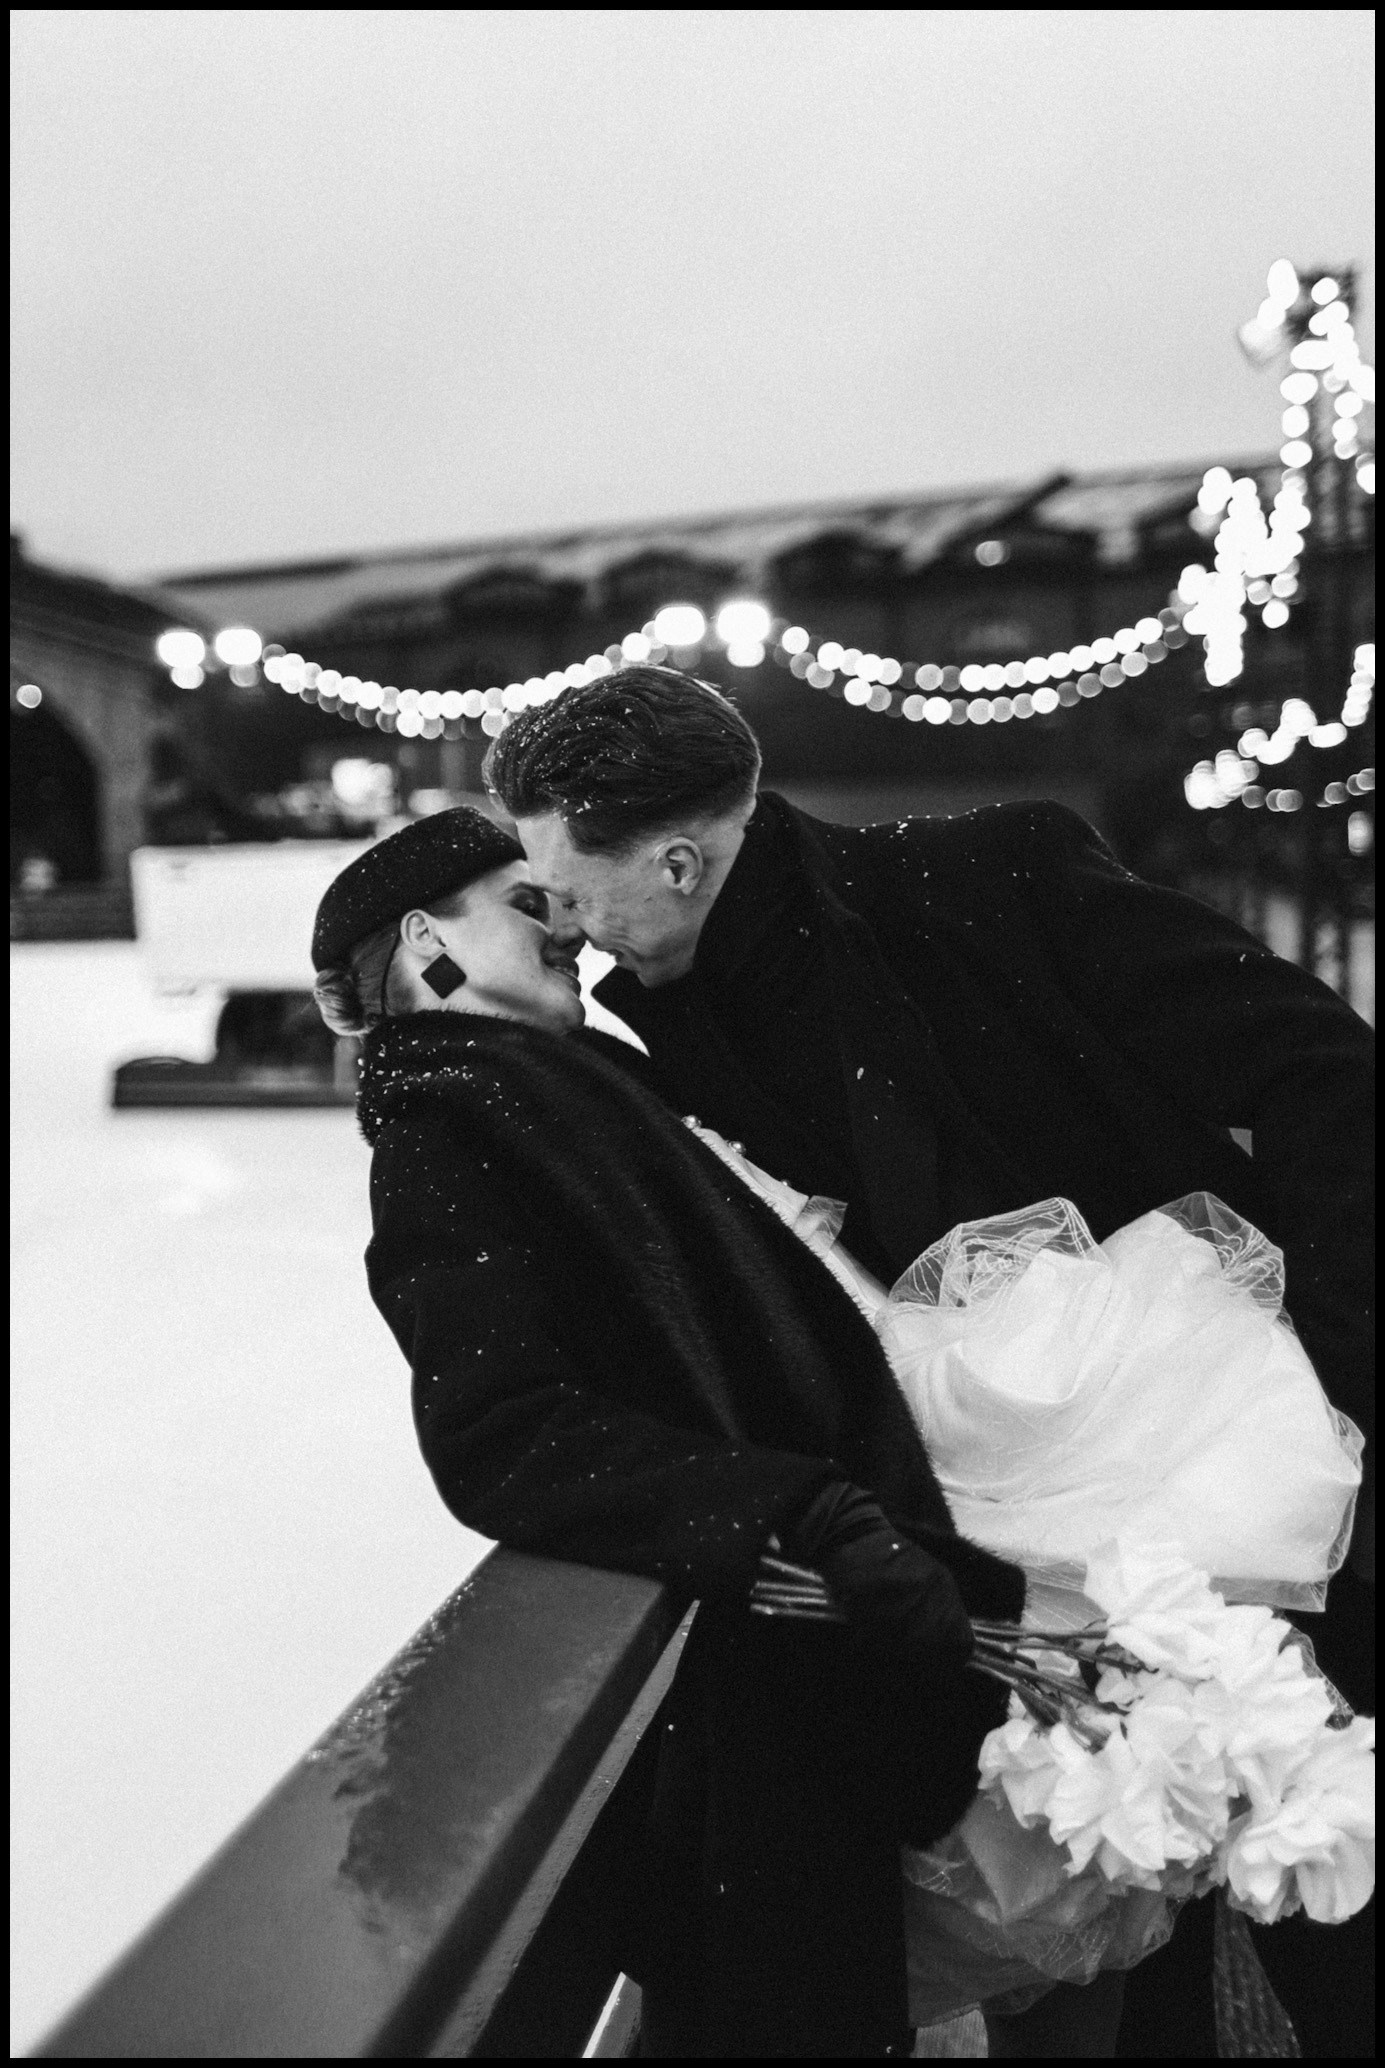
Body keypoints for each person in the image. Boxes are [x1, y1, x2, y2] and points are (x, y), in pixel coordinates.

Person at [485, 663, 1376, 2058]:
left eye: (567, 889)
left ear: (675, 860)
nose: (568, 926)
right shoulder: (666, 1040)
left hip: (1254, 1493)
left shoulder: (985, 880)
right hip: (1019, 1582)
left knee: (1332, 1892)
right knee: (1132, 1928)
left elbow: (1322, 1070)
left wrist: (1322, 1376)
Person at [310, 805, 1029, 2059]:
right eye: (526, 904)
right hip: (745, 1713)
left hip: (800, 1672)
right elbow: (500, 1431)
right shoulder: (442, 1135)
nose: (566, 926)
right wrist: (796, 1510)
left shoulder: (581, 1081)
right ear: (428, 942)